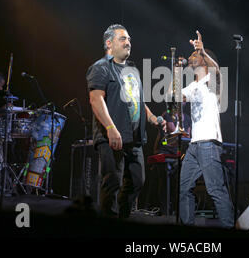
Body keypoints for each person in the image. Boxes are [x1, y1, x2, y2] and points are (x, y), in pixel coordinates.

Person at [86, 24, 166, 218]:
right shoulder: (101, 68)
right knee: (113, 181)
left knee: (137, 181)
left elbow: (138, 100)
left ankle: (121, 217)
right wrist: (110, 128)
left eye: (129, 39)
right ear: (109, 43)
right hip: (112, 135)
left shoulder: (132, 70)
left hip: (134, 137)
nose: (128, 42)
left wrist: (152, 117)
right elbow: (96, 99)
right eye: (123, 39)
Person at [178, 30, 234, 228]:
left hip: (209, 143)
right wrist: (176, 71)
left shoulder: (212, 81)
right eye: (192, 54)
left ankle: (228, 227)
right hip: (194, 145)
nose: (191, 56)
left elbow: (217, 70)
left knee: (215, 189)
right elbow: (173, 96)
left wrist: (203, 50)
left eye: (195, 54)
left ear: (204, 60)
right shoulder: (193, 85)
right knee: (184, 188)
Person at [150, 107, 191, 215]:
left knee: (179, 181)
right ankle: (164, 211)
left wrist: (182, 137)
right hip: (165, 147)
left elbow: (187, 137)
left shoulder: (187, 118)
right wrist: (181, 137)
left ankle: (177, 210)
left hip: (178, 151)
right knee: (164, 182)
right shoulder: (167, 115)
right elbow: (173, 134)